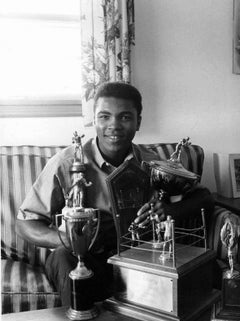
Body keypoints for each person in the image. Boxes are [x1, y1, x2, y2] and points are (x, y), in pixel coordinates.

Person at [16, 82, 214, 306]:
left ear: (138, 121)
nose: (114, 126)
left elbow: (204, 198)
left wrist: (169, 210)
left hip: (137, 258)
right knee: (63, 257)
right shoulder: (67, 163)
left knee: (203, 273)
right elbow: (25, 224)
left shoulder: (152, 164)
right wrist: (69, 241)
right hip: (82, 258)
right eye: (104, 116)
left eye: (125, 117)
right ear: (94, 120)